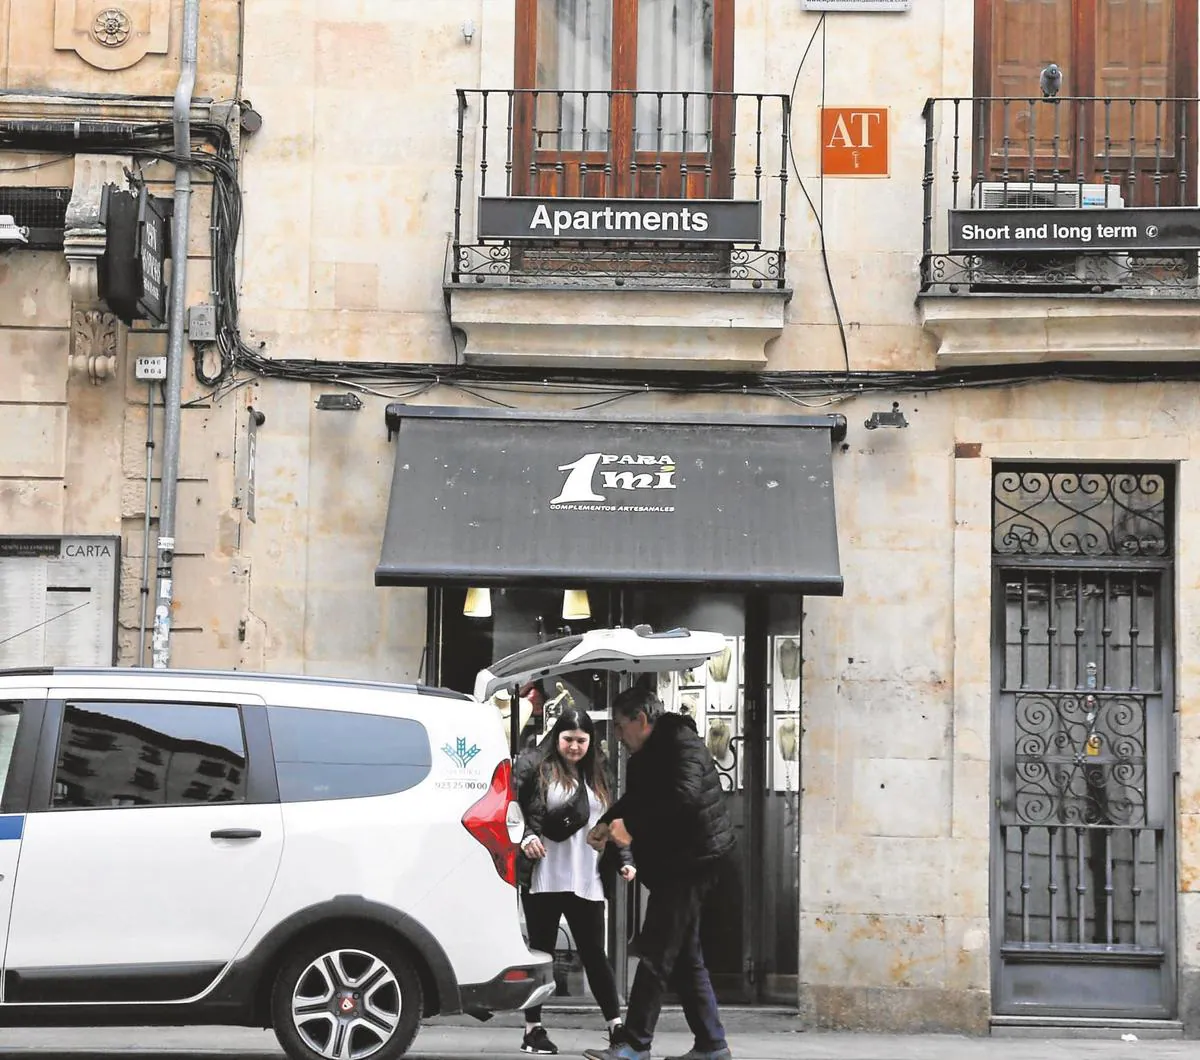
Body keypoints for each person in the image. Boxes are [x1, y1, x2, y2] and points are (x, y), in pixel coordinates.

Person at [583, 684, 736, 1060]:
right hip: (677, 861)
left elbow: (680, 798)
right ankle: (712, 1045)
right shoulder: (646, 753)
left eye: (620, 727)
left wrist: (631, 828)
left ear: (641, 719)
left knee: (657, 951)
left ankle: (636, 1044)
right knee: (685, 955)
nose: (617, 736)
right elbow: (637, 797)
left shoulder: (682, 745)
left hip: (694, 861)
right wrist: (608, 821)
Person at [515, 705, 635, 1055]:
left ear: (590, 741)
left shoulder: (600, 774)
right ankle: (532, 1029)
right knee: (542, 953)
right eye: (568, 739)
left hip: (587, 876)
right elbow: (514, 809)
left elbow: (613, 821)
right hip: (545, 875)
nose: (574, 747)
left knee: (595, 954)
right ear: (557, 737)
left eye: (581, 740)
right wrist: (525, 837)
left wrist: (624, 860)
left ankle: (616, 1027)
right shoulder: (538, 768)